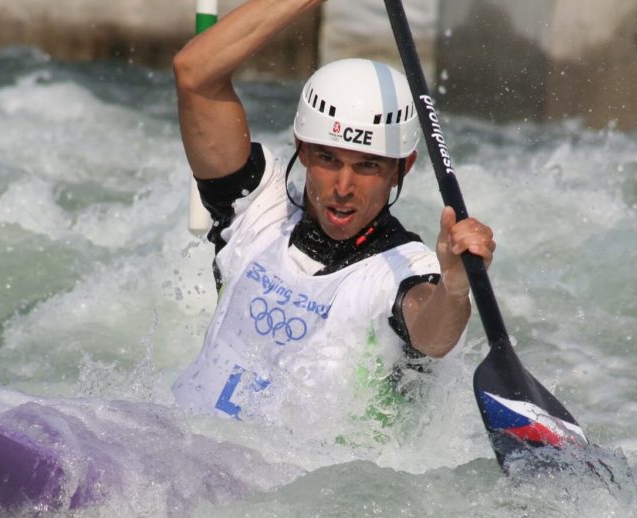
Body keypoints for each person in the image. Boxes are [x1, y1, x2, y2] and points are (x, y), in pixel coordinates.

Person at [170, 0, 495, 423]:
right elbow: (194, 73)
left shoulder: (405, 269)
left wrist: (453, 288)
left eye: (367, 166)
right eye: (328, 159)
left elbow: (432, 335)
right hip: (179, 442)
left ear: (402, 168)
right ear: (302, 150)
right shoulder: (256, 209)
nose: (343, 187)